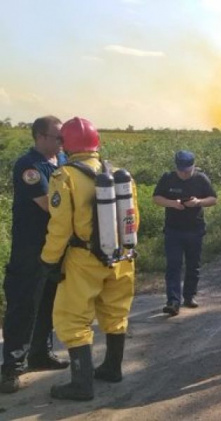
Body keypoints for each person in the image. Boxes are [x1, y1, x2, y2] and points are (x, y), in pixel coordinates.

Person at [41, 117, 140, 400]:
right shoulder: (122, 175)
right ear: (97, 143)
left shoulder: (64, 177)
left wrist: (49, 261)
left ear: (66, 144)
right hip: (121, 256)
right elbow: (133, 220)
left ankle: (81, 385)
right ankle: (112, 368)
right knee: (116, 312)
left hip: (84, 258)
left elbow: (59, 227)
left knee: (72, 318)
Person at [1, 116, 69, 393]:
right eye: (57, 137)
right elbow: (48, 205)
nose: (61, 142)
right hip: (30, 248)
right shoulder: (29, 166)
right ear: (40, 137)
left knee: (49, 302)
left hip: (55, 246)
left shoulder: (62, 161)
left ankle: (41, 353)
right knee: (23, 303)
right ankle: (12, 367)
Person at [153, 150, 218, 316]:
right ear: (176, 167)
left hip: (195, 230)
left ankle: (189, 296)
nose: (184, 174)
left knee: (193, 265)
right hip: (173, 230)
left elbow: (213, 199)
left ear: (193, 166)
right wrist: (172, 203)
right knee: (173, 265)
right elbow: (156, 198)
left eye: (187, 171)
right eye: (181, 171)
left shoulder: (200, 179)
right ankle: (173, 301)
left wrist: (198, 202)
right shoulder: (167, 178)